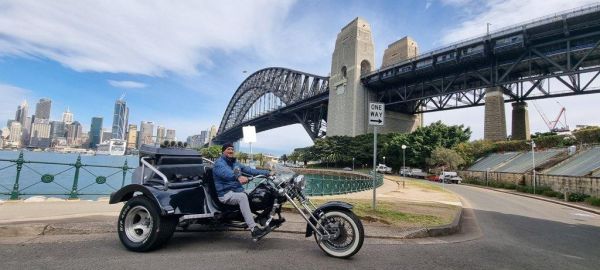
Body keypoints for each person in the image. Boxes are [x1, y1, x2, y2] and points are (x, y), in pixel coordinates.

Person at [213, 143, 272, 240]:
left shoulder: (235, 163)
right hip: (225, 194)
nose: (231, 151)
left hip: (237, 190)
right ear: (223, 151)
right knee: (243, 197)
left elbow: (249, 170)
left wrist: (267, 173)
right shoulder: (219, 163)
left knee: (260, 192)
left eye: (232, 149)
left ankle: (263, 217)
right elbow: (227, 174)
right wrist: (238, 177)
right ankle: (254, 229)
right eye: (228, 149)